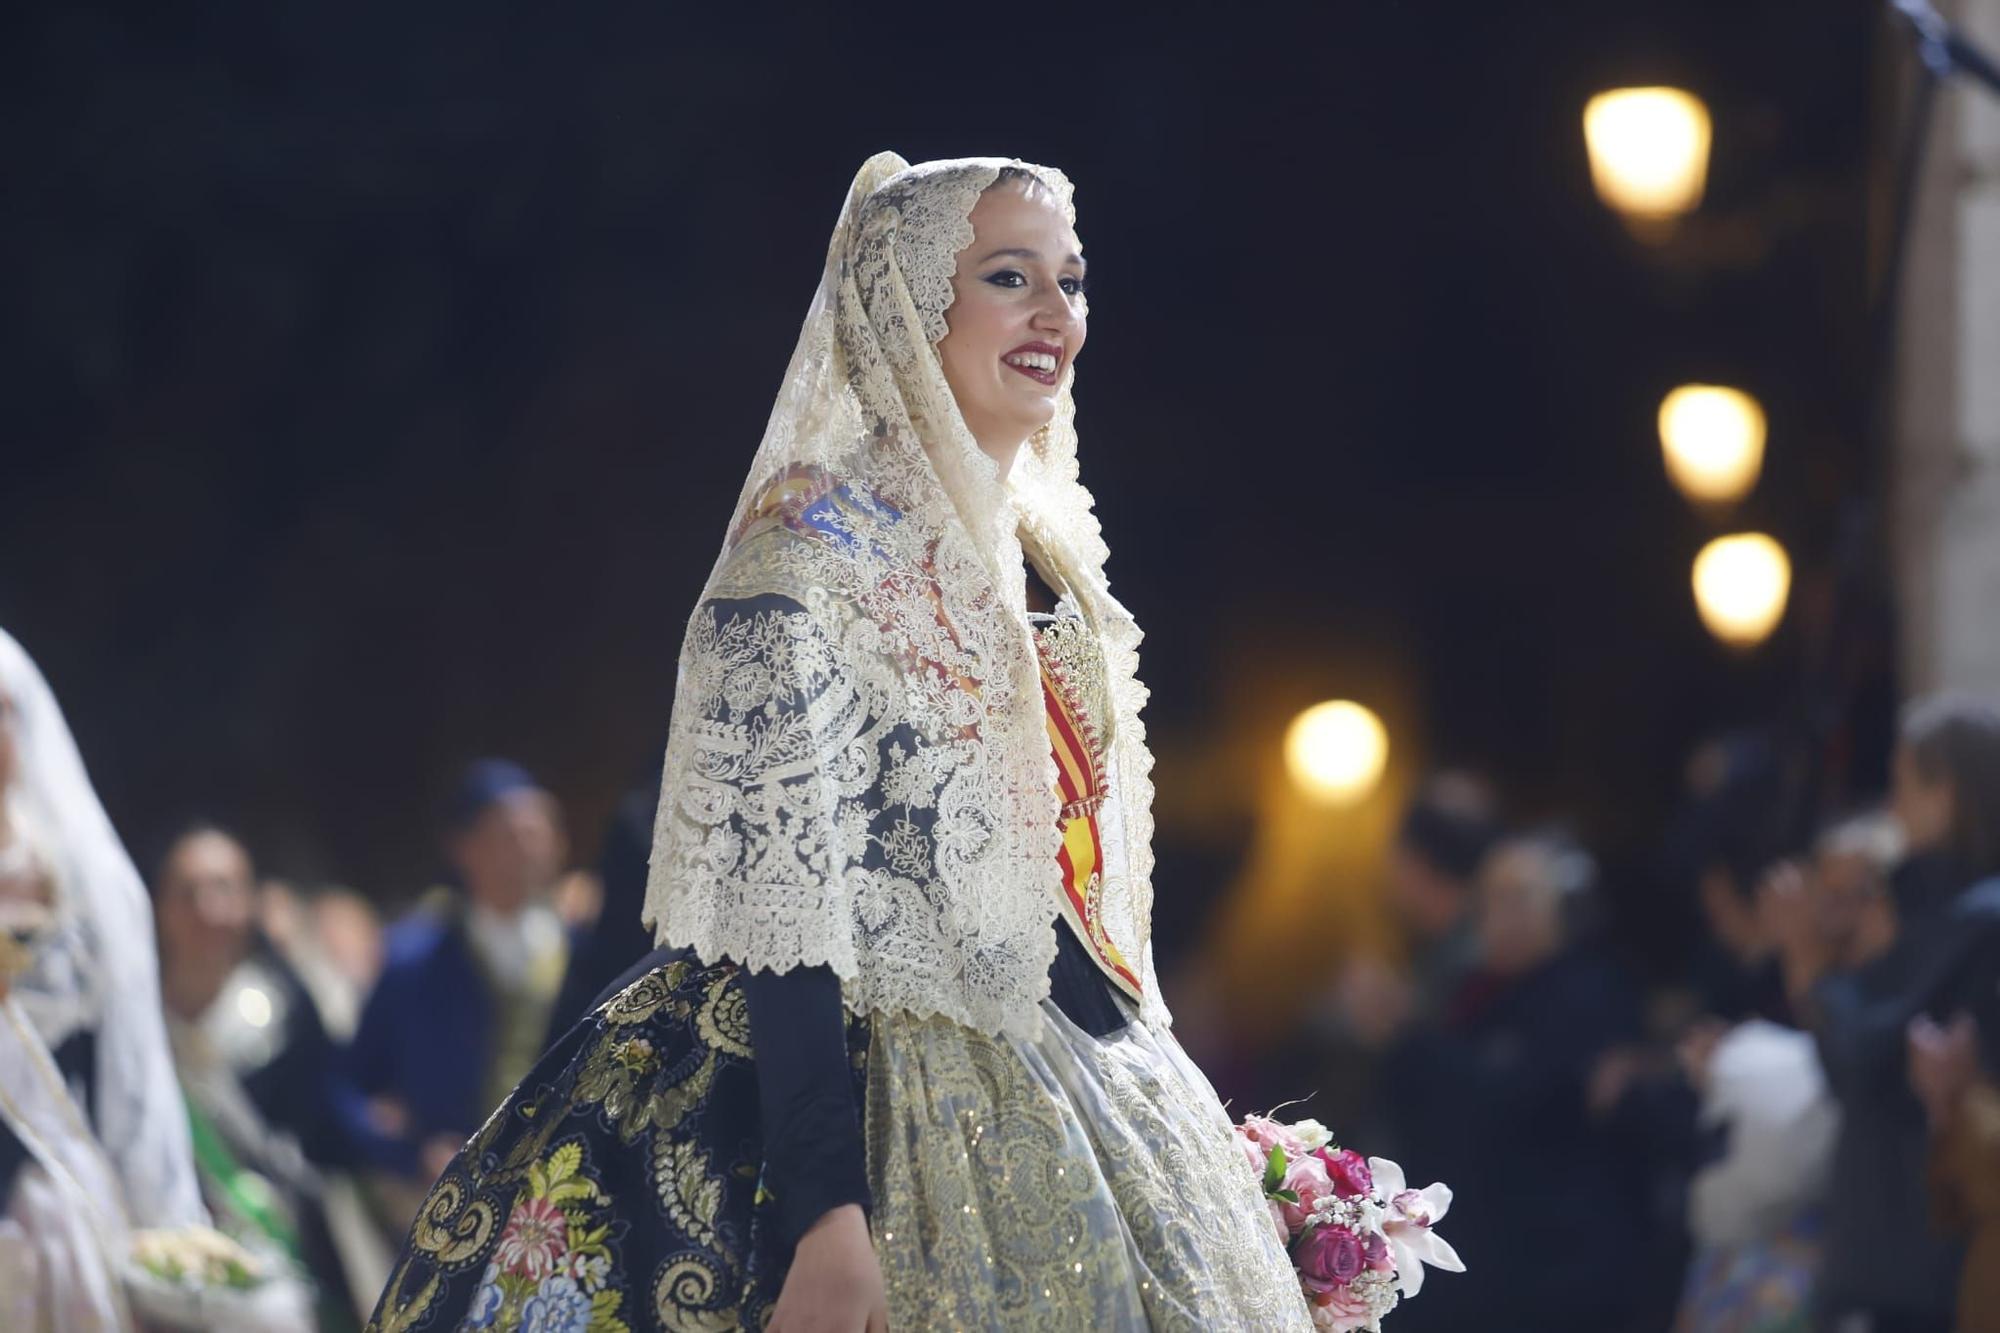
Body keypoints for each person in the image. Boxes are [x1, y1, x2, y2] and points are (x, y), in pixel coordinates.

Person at [366, 154, 1314, 1332]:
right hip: (846, 1091)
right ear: (910, 304)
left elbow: (1075, 885)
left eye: (1069, 281)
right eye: (1008, 277)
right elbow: (784, 912)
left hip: (1081, 1073)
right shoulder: (800, 559)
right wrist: (826, 1213)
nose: (1055, 315)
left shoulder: (1044, 554)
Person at [1762, 695, 2000, 1331]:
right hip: (1897, 1255)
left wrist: (1811, 965)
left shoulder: (1980, 920)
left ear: (1946, 791)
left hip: (1922, 1261)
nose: (1892, 808)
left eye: (1901, 783)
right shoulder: (1931, 914)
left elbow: (1866, 1063)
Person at [1382, 832, 1647, 1331]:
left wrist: (1408, 1034)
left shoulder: (1590, 990)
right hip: (1488, 1255)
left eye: (1519, 897)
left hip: (1556, 1265)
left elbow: (1514, 1094)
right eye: (1491, 898)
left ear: (1567, 910)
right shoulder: (1475, 990)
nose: (1498, 914)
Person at [338, 760, 575, 1233]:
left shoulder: (579, 956)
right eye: (509, 833)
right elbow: (349, 1086)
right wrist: (408, 1153)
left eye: (539, 830)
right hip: (448, 1198)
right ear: (465, 847)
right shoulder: (416, 959)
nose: (528, 847)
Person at [153, 821, 360, 1326]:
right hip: (190, 1266)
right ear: (160, 907)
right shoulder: (142, 1031)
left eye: (224, 889)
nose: (208, 910)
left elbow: (329, 1121)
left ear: (250, 900)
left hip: (297, 1253)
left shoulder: (285, 1008)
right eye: (189, 893)